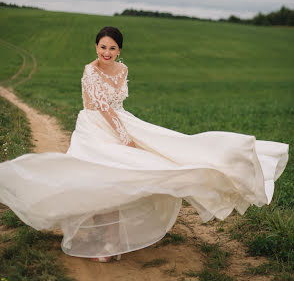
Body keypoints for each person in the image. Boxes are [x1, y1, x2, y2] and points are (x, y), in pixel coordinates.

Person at [0, 26, 289, 263]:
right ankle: (107, 240)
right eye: (103, 47)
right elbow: (102, 107)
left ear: (120, 51)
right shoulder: (90, 71)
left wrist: (130, 134)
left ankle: (113, 240)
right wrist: (124, 138)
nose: (107, 52)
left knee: (170, 153)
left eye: (113, 48)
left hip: (123, 122)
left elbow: (119, 106)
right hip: (94, 127)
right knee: (102, 178)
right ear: (95, 47)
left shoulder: (123, 70)